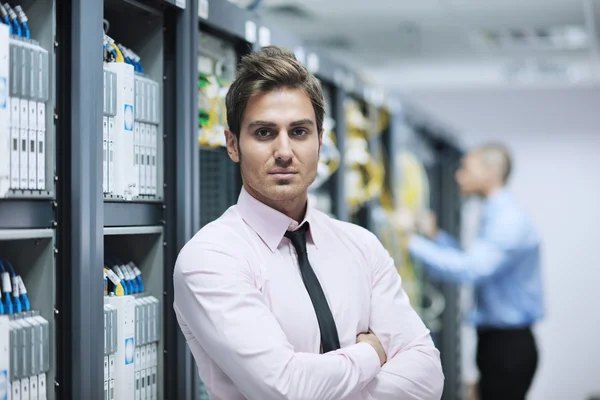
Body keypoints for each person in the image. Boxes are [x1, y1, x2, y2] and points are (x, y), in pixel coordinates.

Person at [173, 46, 444, 400]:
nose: (284, 151)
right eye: (264, 133)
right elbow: (287, 389)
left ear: (321, 141)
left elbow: (426, 379)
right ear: (233, 144)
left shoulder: (361, 246)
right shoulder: (211, 259)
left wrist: (322, 381)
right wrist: (372, 353)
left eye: (299, 132)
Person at [402, 143, 544, 400]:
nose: (458, 176)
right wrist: (435, 237)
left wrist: (408, 241)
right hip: (498, 344)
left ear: (491, 173)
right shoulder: (496, 213)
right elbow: (472, 259)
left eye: (466, 169)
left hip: (508, 347)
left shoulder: (507, 220)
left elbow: (473, 269)